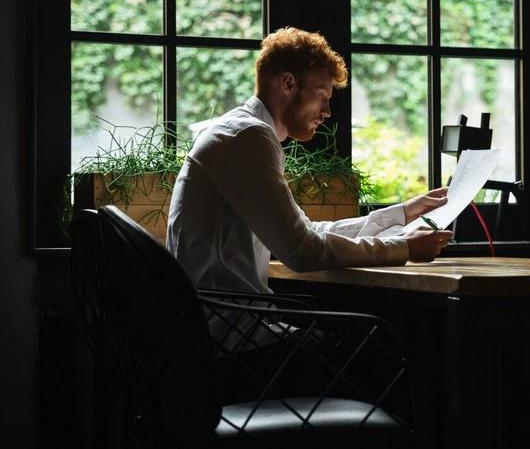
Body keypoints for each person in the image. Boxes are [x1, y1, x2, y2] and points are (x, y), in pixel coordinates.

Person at [167, 26, 453, 296]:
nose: (327, 112)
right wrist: (402, 247)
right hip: (235, 331)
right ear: (288, 83)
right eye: (321, 97)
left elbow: (306, 233)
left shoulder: (243, 131)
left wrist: (401, 213)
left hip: (225, 322)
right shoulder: (248, 137)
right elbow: (301, 251)